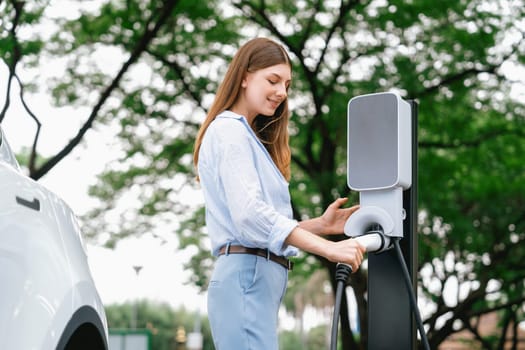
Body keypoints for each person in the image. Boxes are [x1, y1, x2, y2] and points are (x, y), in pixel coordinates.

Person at [192, 37, 365, 350]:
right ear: (244, 76)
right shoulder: (229, 130)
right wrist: (329, 249)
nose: (282, 93)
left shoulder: (247, 136)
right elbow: (250, 218)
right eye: (272, 80)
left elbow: (259, 223)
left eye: (287, 84)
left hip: (255, 283)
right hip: (246, 279)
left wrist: (320, 226)